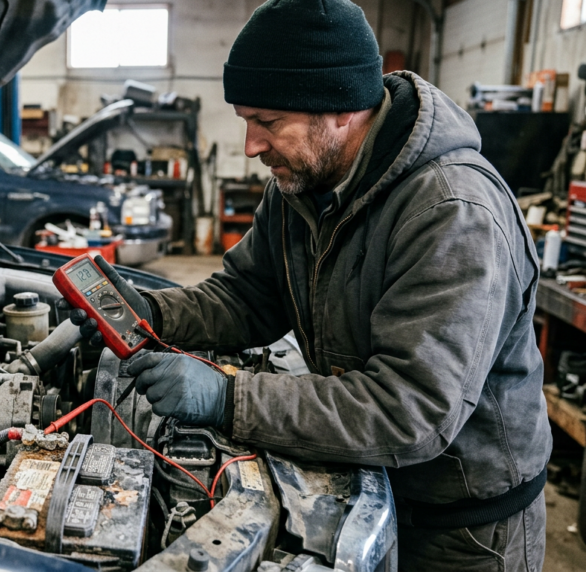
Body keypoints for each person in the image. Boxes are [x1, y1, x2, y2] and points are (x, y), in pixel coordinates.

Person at [70, 1, 550, 570]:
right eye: (246, 119)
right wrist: (147, 309)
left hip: (462, 533)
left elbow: (409, 411)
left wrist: (228, 397)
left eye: (267, 122)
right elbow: (248, 296)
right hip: (370, 486)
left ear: (341, 108)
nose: (250, 146)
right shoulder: (303, 185)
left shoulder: (452, 213)